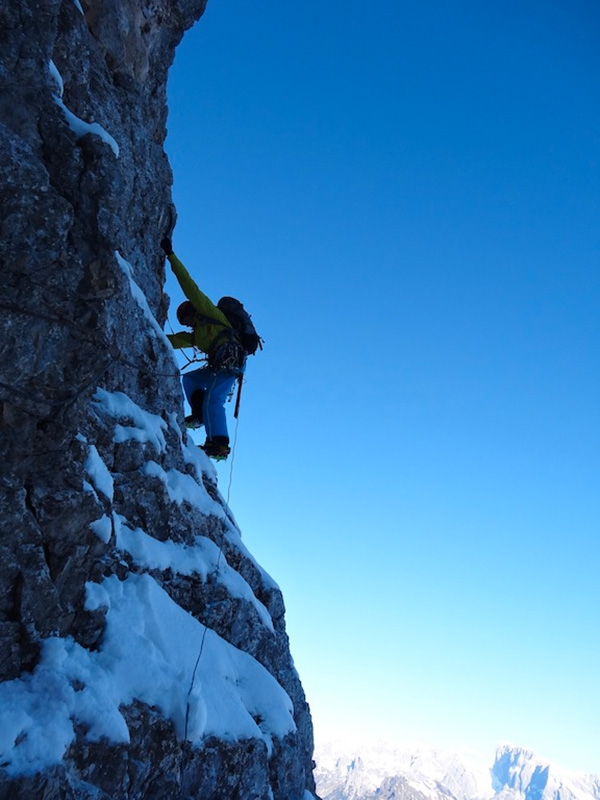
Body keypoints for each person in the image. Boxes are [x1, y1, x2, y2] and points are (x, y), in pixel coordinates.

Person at [161, 237, 246, 460]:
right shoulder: (198, 335)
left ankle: (219, 444)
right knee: (190, 380)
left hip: (231, 362)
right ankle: (199, 416)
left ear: (192, 312)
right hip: (219, 364)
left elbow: (190, 287)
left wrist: (171, 256)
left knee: (214, 399)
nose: (186, 325)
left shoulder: (209, 314)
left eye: (185, 320)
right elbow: (174, 340)